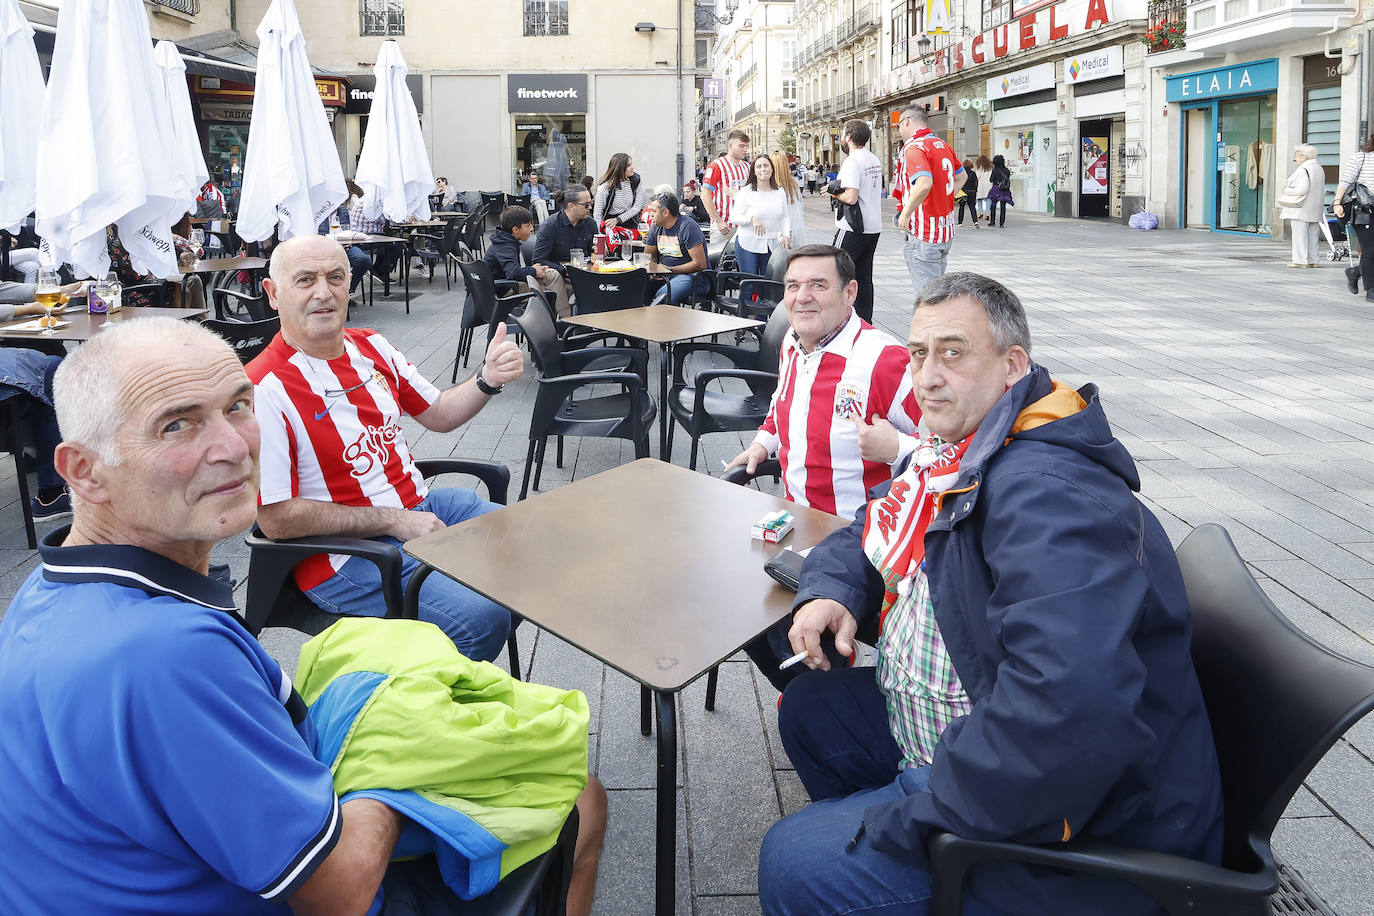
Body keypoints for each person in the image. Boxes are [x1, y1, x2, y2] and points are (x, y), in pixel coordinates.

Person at [0, 316, 606, 915]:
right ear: (83, 470)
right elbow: (338, 893)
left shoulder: (49, 591)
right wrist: (404, 764)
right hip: (289, 891)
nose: (235, 447)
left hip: (145, 869)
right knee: (584, 798)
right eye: (177, 425)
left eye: (238, 407)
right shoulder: (162, 656)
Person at [756, 272, 1225, 916]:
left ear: (1012, 366)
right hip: (979, 729)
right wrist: (832, 588)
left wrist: (916, 816)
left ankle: (948, 874)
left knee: (795, 861)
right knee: (814, 707)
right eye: (918, 354)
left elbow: (1069, 717)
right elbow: (874, 522)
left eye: (953, 351)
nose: (925, 376)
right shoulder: (959, 453)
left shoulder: (1046, 497)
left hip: (1090, 820)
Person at [247, 235, 523, 663]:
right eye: (305, 280)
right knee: (482, 619)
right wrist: (396, 522)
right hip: (345, 556)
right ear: (273, 293)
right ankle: (430, 714)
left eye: (335, 277)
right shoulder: (263, 388)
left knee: (529, 548)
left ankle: (461, 685)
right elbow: (277, 519)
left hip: (419, 507)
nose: (323, 292)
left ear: (350, 283)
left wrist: (487, 379)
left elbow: (439, 413)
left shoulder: (371, 345)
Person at [724, 245, 920, 520]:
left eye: (818, 285)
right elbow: (782, 401)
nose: (802, 297)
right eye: (793, 285)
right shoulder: (794, 341)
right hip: (792, 518)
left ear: (849, 292)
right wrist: (763, 443)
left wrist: (897, 448)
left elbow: (954, 447)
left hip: (858, 534)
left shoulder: (885, 360)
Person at [893, 105, 963, 296]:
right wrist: (943, 195)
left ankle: (933, 326)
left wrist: (905, 213)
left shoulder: (915, 147)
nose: (899, 130)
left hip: (924, 232)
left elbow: (923, 184)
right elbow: (962, 176)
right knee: (937, 293)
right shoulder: (943, 145)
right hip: (944, 230)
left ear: (906, 121)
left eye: (899, 125)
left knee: (928, 299)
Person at [830, 119, 884, 322]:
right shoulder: (873, 159)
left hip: (852, 226)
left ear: (849, 138)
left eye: (843, 135)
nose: (842, 139)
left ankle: (836, 318)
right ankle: (864, 321)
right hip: (872, 226)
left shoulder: (852, 161)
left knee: (835, 269)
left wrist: (834, 193)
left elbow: (851, 197)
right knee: (863, 277)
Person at [532, 185, 597, 318]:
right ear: (571, 205)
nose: (590, 207)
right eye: (586, 204)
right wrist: (565, 270)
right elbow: (538, 260)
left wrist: (599, 252)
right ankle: (568, 325)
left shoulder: (590, 223)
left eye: (591, 203)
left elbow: (594, 253)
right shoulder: (550, 226)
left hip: (586, 275)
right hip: (562, 277)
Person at [485, 205, 562, 311]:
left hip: (504, 285)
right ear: (516, 229)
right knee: (552, 291)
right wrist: (534, 270)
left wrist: (533, 270)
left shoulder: (504, 241)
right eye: (528, 225)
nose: (532, 229)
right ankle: (560, 319)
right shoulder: (505, 246)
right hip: (504, 289)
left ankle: (558, 316)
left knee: (552, 275)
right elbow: (513, 273)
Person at [729, 154, 792, 277]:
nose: (763, 169)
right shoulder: (746, 192)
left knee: (767, 281)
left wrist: (786, 234)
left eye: (766, 166)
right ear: (754, 171)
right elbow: (734, 216)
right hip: (748, 242)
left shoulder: (780, 192)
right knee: (749, 283)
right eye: (759, 166)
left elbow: (784, 216)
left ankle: (762, 298)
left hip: (771, 243)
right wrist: (751, 218)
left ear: (772, 169)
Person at [644, 191, 710, 304]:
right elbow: (647, 257)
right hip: (665, 275)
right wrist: (653, 270)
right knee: (635, 289)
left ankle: (665, 320)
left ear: (665, 212)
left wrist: (669, 270)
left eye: (654, 211)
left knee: (663, 297)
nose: (650, 214)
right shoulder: (656, 227)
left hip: (691, 277)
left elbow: (700, 264)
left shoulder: (687, 227)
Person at [1333, 132, 1374, 300]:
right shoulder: (1361, 158)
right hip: (1364, 210)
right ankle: (1371, 290)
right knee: (1370, 250)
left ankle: (1355, 271)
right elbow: (1345, 181)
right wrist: (1337, 203)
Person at [1278, 145, 1326, 269]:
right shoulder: (1318, 168)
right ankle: (1313, 260)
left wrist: (1287, 190)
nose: (1295, 159)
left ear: (1304, 157)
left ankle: (1300, 260)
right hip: (1315, 207)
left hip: (1301, 208)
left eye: (1297, 156)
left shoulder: (1303, 169)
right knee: (1312, 235)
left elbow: (1302, 189)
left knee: (1300, 235)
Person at [703, 129, 752, 237]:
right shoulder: (717, 165)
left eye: (746, 146)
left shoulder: (747, 167)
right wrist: (719, 221)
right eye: (741, 146)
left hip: (744, 227)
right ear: (731, 146)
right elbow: (705, 196)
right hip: (724, 227)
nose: (745, 149)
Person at [592, 153, 649, 233]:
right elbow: (597, 215)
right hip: (610, 227)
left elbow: (637, 207)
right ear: (620, 168)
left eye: (631, 164)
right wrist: (598, 237)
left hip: (631, 224)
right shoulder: (604, 188)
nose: (632, 167)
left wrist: (618, 220)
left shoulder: (636, 181)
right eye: (628, 165)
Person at [771, 152, 807, 247]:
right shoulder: (792, 184)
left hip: (779, 233)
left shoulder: (774, 187)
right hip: (792, 230)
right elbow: (799, 208)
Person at [987, 154, 1014, 228]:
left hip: (996, 189)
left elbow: (991, 180)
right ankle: (1001, 223)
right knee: (1003, 206)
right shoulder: (1007, 170)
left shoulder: (995, 170)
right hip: (1005, 190)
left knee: (993, 205)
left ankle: (992, 221)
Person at [956, 158, 980, 228]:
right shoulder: (973, 173)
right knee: (972, 207)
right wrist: (975, 190)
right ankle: (975, 221)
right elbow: (976, 183)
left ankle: (960, 222)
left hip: (963, 192)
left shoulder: (962, 174)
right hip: (972, 192)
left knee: (962, 207)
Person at [973, 154, 993, 224]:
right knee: (988, 200)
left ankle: (980, 213)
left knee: (979, 200)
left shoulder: (980, 168)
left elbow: (977, 176)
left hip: (980, 185)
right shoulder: (990, 168)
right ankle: (988, 213)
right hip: (988, 185)